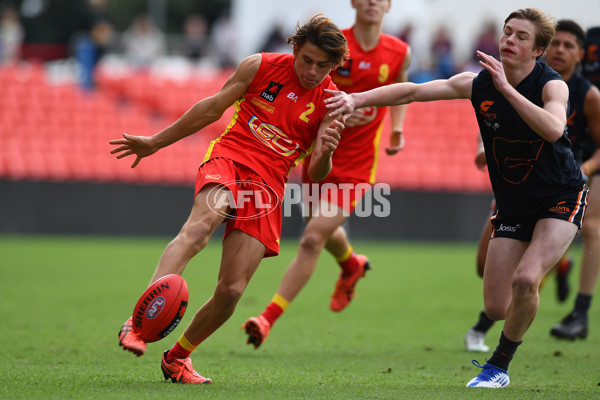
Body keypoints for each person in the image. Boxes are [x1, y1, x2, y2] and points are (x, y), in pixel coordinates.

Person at [325, 8, 589, 388]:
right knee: (496, 307)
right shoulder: (477, 83)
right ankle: (542, 275)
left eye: (521, 37)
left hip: (561, 195)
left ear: (538, 51)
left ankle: (498, 367)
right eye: (507, 32)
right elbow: (413, 91)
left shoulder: (552, 86)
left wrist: (507, 90)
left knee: (526, 280)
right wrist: (356, 99)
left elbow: (552, 128)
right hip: (514, 203)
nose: (509, 40)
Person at [110, 14, 348, 384]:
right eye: (307, 60)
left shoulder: (332, 104)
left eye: (323, 65)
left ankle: (177, 358)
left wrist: (327, 154)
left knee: (233, 290)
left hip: (270, 185)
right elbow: (211, 108)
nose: (313, 71)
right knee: (199, 229)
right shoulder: (260, 66)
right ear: (296, 49)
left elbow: (315, 172)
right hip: (232, 157)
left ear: (334, 66)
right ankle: (138, 323)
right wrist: (155, 142)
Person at [242, 0, 410, 349]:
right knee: (321, 229)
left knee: (311, 237)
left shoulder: (399, 52)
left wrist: (397, 129)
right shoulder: (333, 47)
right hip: (317, 156)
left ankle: (267, 318)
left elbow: (402, 88)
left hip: (357, 166)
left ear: (389, 5)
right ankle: (351, 265)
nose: (371, 3)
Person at [547, 20, 600, 341]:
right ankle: (560, 265)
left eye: (568, 46)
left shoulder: (589, 95)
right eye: (557, 44)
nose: (561, 50)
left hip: (591, 156)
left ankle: (580, 313)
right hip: (563, 156)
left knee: (592, 226)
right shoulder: (592, 36)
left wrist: (588, 167)